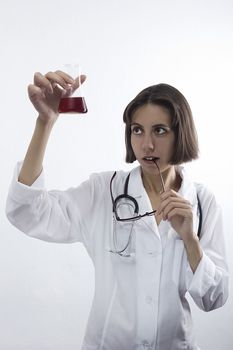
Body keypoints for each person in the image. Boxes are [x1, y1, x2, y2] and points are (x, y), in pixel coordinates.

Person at [6, 69, 229, 350]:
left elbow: (214, 298)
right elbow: (27, 212)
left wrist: (191, 240)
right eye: (137, 130)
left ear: (180, 133)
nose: (147, 144)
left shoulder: (202, 202)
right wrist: (45, 122)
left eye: (159, 130)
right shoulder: (104, 192)